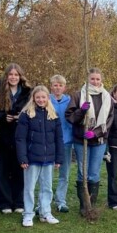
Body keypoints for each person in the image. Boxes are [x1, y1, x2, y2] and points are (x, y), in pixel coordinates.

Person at [66, 68, 114, 215]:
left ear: (101, 80)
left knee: (94, 173)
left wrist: (95, 133)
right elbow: (70, 117)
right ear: (88, 79)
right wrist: (81, 110)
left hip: (98, 141)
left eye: (97, 79)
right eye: (92, 79)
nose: (95, 81)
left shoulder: (107, 97)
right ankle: (83, 205)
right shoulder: (78, 95)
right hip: (82, 141)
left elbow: (109, 120)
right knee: (83, 172)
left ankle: (90, 205)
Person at [16, 86, 64, 227]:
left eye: (43, 97)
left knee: (47, 187)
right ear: (33, 98)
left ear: (48, 98)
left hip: (48, 158)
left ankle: (45, 212)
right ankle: (28, 214)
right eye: (38, 97)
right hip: (31, 159)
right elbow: (20, 138)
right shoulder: (26, 114)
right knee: (29, 188)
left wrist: (59, 158)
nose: (41, 100)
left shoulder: (53, 115)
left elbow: (58, 138)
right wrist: (23, 158)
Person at [0, 63, 31, 214]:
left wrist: (21, 117)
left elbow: (32, 110)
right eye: (11, 74)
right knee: (2, 171)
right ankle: (4, 203)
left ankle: (19, 201)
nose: (13, 77)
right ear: (6, 76)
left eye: (16, 75)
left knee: (19, 170)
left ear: (20, 77)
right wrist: (3, 117)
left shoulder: (27, 92)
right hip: (2, 136)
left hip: (20, 137)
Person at [49, 75, 73, 213]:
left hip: (66, 141)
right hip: (50, 142)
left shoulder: (69, 101)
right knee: (48, 173)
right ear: (51, 87)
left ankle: (61, 201)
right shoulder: (46, 100)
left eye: (60, 85)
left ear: (64, 87)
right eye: (55, 85)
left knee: (64, 173)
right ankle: (46, 200)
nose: (57, 88)